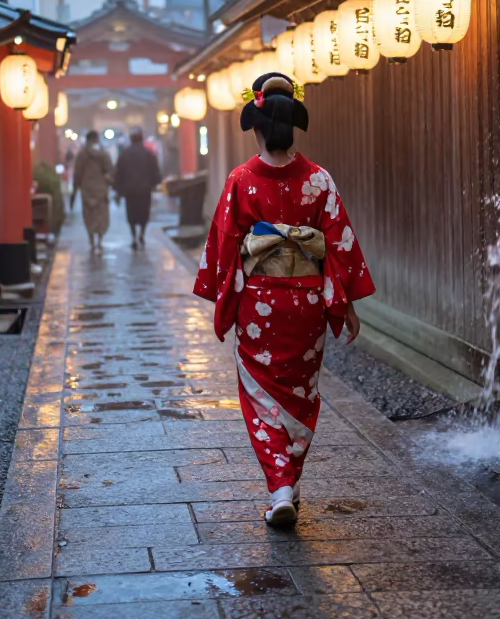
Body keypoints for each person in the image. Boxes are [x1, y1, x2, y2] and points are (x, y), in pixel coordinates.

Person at [193, 73, 375, 528]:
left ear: (256, 125)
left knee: (260, 396)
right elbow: (339, 245)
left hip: (261, 308)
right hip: (308, 305)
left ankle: (279, 488)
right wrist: (346, 305)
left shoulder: (241, 180)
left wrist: (222, 299)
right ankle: (287, 483)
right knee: (301, 394)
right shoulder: (319, 180)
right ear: (292, 126)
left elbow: (223, 246)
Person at [114, 127, 163, 249]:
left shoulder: (124, 154)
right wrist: (155, 184)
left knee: (131, 214)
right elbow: (155, 171)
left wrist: (118, 191)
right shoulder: (148, 154)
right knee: (144, 213)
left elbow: (119, 173)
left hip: (130, 190)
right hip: (145, 189)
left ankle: (133, 235)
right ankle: (142, 233)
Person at [73, 130, 113, 250]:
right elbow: (110, 170)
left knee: (89, 214)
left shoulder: (82, 154)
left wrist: (76, 186)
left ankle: (91, 239)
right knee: (101, 214)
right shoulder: (103, 153)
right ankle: (100, 239)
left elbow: (77, 172)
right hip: (101, 188)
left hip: (86, 188)